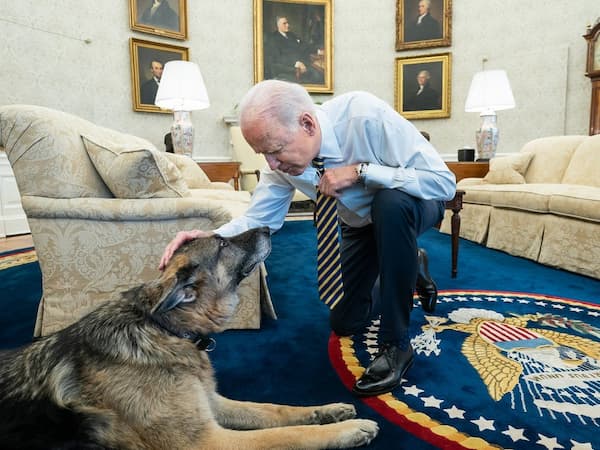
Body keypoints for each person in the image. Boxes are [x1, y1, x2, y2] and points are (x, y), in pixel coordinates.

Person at [158, 80, 456, 397]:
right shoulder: (281, 163)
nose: (271, 164)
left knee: (390, 204)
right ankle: (412, 265)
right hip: (360, 224)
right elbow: (261, 220)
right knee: (345, 322)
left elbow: (444, 184)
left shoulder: (365, 117)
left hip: (413, 205)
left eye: (274, 151)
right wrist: (210, 237)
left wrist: (363, 171)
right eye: (263, 154)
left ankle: (395, 344)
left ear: (307, 124)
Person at [265, 16, 323, 84]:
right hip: (287, 70)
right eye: (284, 23)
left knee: (319, 75)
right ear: (278, 25)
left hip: (302, 65)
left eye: (288, 23)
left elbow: (303, 46)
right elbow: (276, 60)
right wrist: (295, 64)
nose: (288, 25)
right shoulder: (273, 39)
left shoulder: (291, 35)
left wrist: (318, 51)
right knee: (315, 78)